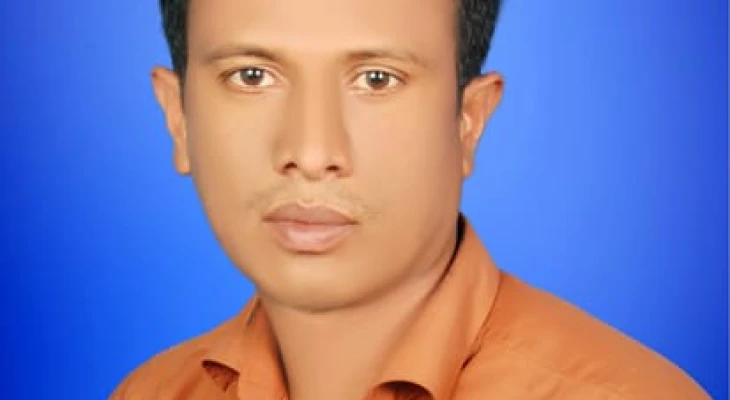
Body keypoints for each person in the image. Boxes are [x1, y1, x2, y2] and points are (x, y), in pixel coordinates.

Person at [111, 0, 711, 399]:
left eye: (377, 78)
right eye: (252, 76)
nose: (312, 152)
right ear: (178, 117)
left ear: (469, 121)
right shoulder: (152, 392)